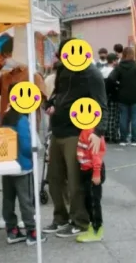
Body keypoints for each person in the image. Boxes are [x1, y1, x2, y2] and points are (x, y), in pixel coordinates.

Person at [43, 54, 107, 238]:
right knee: (54, 178)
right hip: (57, 130)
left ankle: (80, 220)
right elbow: (58, 94)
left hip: (77, 133)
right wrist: (49, 103)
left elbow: (102, 104)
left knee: (75, 180)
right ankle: (60, 218)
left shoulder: (91, 74)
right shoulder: (63, 69)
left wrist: (98, 131)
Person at [1, 103, 45, 246]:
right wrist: (33, 155)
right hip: (23, 166)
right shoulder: (22, 120)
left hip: (7, 165)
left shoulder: (6, 118)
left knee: (8, 199)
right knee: (26, 199)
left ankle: (12, 230)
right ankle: (32, 232)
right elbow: (27, 145)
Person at [0, 39, 48, 122]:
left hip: (26, 126)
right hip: (7, 124)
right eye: (5, 56)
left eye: (9, 55)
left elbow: (40, 100)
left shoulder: (33, 76)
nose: (7, 59)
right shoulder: (6, 77)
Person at [75, 125, 106, 243]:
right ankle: (93, 226)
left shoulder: (91, 132)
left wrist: (96, 172)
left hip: (92, 171)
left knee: (93, 201)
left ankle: (97, 229)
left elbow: (96, 155)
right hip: (86, 170)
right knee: (88, 200)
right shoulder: (85, 130)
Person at [108, 47, 136, 146]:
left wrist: (118, 84)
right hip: (135, 95)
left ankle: (123, 139)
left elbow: (111, 78)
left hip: (122, 95)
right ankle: (134, 139)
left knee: (123, 117)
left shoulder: (119, 67)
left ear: (123, 55)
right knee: (134, 117)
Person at [100, 53, 120, 143]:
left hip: (103, 96)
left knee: (105, 115)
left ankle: (105, 134)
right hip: (113, 95)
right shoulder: (114, 71)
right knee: (113, 116)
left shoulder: (102, 70)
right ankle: (112, 135)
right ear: (113, 61)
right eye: (116, 60)